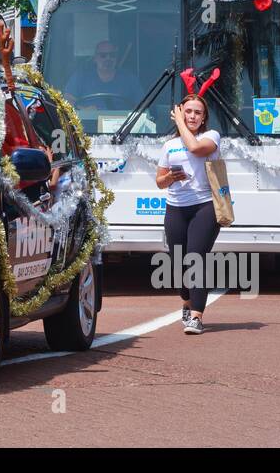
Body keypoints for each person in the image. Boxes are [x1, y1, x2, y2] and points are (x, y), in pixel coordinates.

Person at [155, 93, 222, 335]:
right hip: (175, 208)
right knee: (178, 262)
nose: (193, 116)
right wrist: (170, 178)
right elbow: (159, 182)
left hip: (205, 207)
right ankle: (186, 300)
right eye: (188, 111)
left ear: (204, 118)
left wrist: (179, 121)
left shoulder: (211, 137)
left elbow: (194, 148)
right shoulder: (169, 146)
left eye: (197, 112)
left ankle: (196, 316)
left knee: (196, 258)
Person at [65, 40, 142, 107]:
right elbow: (67, 100)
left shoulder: (129, 79)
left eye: (112, 55)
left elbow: (142, 104)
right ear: (95, 58)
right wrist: (84, 110)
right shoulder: (80, 77)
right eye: (103, 55)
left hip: (124, 123)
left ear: (116, 57)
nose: (108, 58)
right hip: (86, 123)